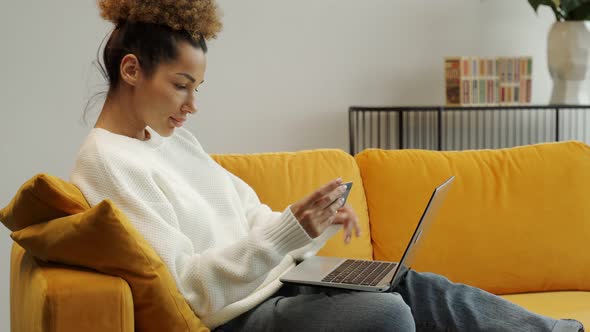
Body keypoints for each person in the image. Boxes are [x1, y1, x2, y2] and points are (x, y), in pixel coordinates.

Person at [70, 1, 584, 331]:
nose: (191, 105)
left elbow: (253, 220)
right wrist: (291, 232)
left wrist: (309, 223)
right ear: (132, 70)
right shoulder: (108, 163)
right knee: (384, 315)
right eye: (181, 85)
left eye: (196, 89)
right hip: (237, 316)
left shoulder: (169, 141)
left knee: (407, 282)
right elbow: (189, 290)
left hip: (277, 282)